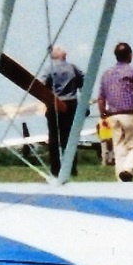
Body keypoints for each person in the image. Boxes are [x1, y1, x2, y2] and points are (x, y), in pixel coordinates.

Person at [97, 41, 133, 182]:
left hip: (113, 115)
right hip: (130, 113)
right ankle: (128, 169)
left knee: (119, 149)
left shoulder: (106, 74)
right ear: (130, 55)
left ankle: (121, 183)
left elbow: (101, 98)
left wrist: (102, 113)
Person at [44, 45, 84, 177]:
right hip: (71, 103)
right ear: (56, 54)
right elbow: (82, 81)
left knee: (54, 137)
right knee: (70, 137)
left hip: (55, 102)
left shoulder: (49, 69)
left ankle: (55, 168)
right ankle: (71, 167)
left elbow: (43, 85)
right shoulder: (73, 68)